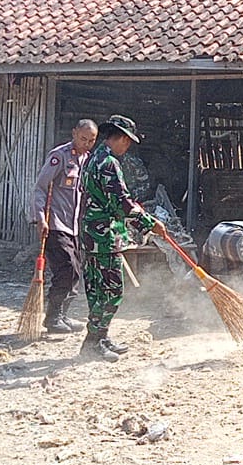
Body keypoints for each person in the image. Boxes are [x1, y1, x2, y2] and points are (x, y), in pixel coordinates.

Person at [79, 115, 167, 361]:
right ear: (119, 138)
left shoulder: (92, 159)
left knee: (97, 290)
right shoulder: (108, 163)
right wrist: (150, 223)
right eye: (127, 142)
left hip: (92, 233)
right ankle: (93, 342)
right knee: (112, 290)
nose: (127, 147)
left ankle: (99, 337)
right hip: (103, 236)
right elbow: (122, 202)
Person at [32, 119, 98, 334]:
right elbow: (40, 188)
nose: (86, 143)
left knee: (76, 272)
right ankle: (52, 318)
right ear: (74, 133)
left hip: (74, 226)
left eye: (91, 140)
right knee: (66, 268)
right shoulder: (58, 156)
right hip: (55, 223)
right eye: (83, 138)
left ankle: (62, 314)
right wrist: (40, 218)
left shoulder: (87, 160)